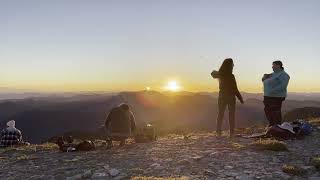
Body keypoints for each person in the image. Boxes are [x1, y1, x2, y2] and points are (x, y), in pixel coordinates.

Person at [211, 58, 244, 137]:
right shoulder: (231, 76)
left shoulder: (220, 74)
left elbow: (212, 73)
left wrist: (218, 71)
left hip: (222, 96)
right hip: (231, 97)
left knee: (220, 114)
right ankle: (231, 133)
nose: (233, 65)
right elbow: (235, 88)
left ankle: (218, 132)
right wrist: (240, 98)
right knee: (231, 115)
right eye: (232, 64)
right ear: (230, 65)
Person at [262, 60, 290, 126]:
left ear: (278, 66)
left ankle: (277, 126)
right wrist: (263, 78)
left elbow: (283, 85)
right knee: (267, 110)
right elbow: (264, 81)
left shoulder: (284, 75)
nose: (272, 67)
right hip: (267, 96)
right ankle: (272, 125)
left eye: (273, 65)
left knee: (275, 111)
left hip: (276, 96)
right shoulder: (272, 74)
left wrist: (272, 91)